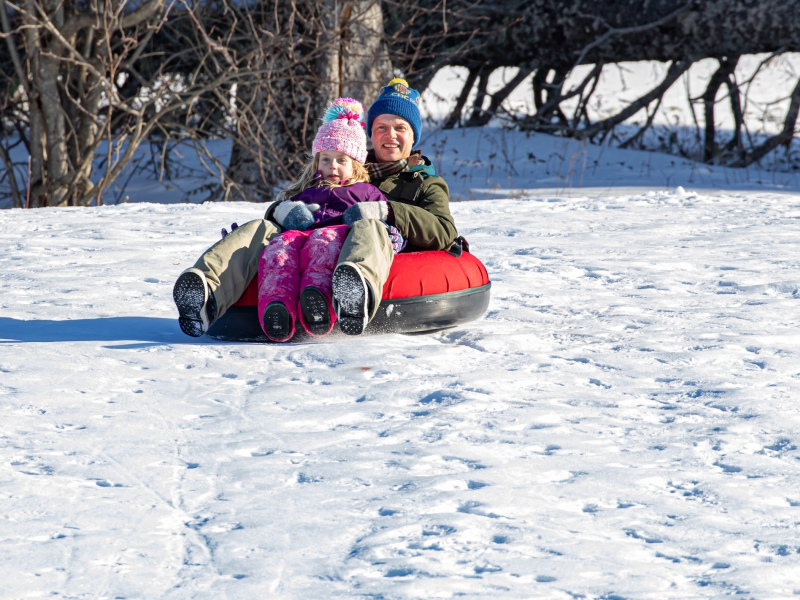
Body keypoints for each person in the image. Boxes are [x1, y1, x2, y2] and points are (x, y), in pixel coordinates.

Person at [173, 77, 457, 338]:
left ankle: (353, 293)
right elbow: (294, 197)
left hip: (370, 247)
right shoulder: (344, 158)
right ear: (370, 132)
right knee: (262, 228)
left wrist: (387, 213)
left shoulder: (424, 182)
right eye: (382, 127)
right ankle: (205, 290)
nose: (390, 135)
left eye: (400, 128)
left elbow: (443, 230)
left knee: (369, 228)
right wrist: (282, 212)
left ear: (413, 135)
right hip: (307, 243)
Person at [256, 98, 404, 342]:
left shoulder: (366, 192)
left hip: (336, 238)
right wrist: (287, 215)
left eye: (341, 160)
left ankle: (319, 304)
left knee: (323, 243)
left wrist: (391, 235)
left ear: (356, 165)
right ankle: (277, 308)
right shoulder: (307, 191)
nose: (332, 166)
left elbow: (381, 222)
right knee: (280, 248)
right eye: (325, 159)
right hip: (300, 238)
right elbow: (281, 210)